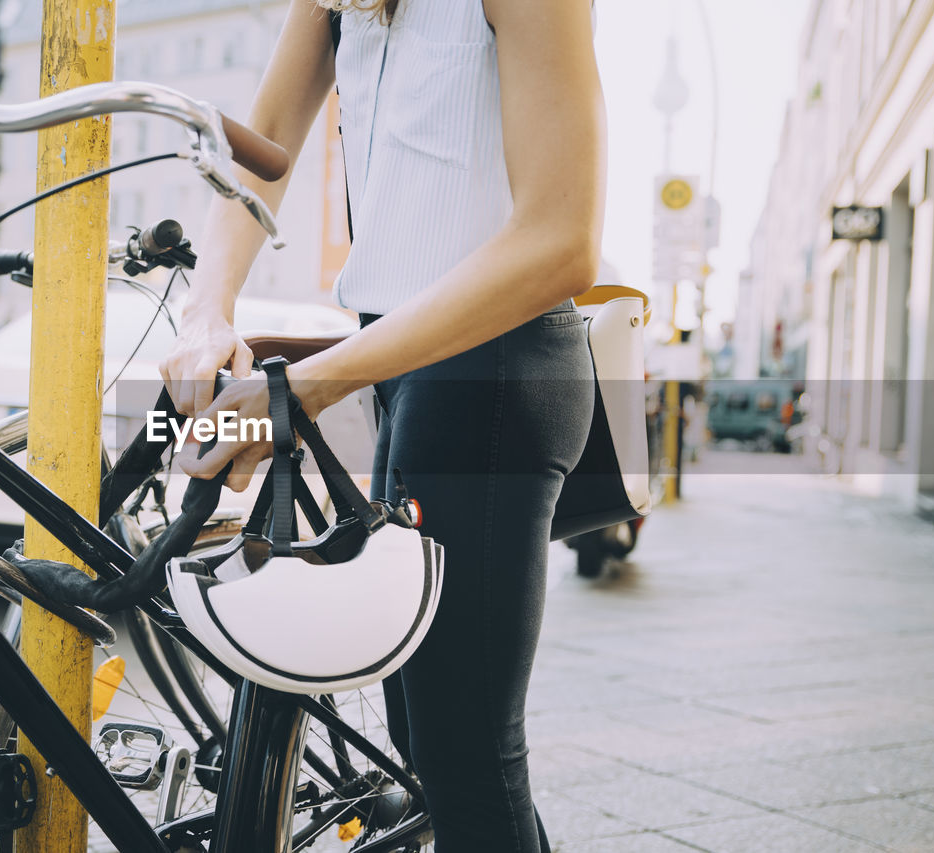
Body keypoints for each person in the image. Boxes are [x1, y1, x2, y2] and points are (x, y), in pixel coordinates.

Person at [159, 1, 604, 850]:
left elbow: (562, 237)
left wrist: (309, 387)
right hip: (405, 372)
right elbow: (259, 147)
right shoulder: (340, 4)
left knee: (466, 752)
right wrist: (205, 310)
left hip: (496, 371)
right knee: (430, 742)